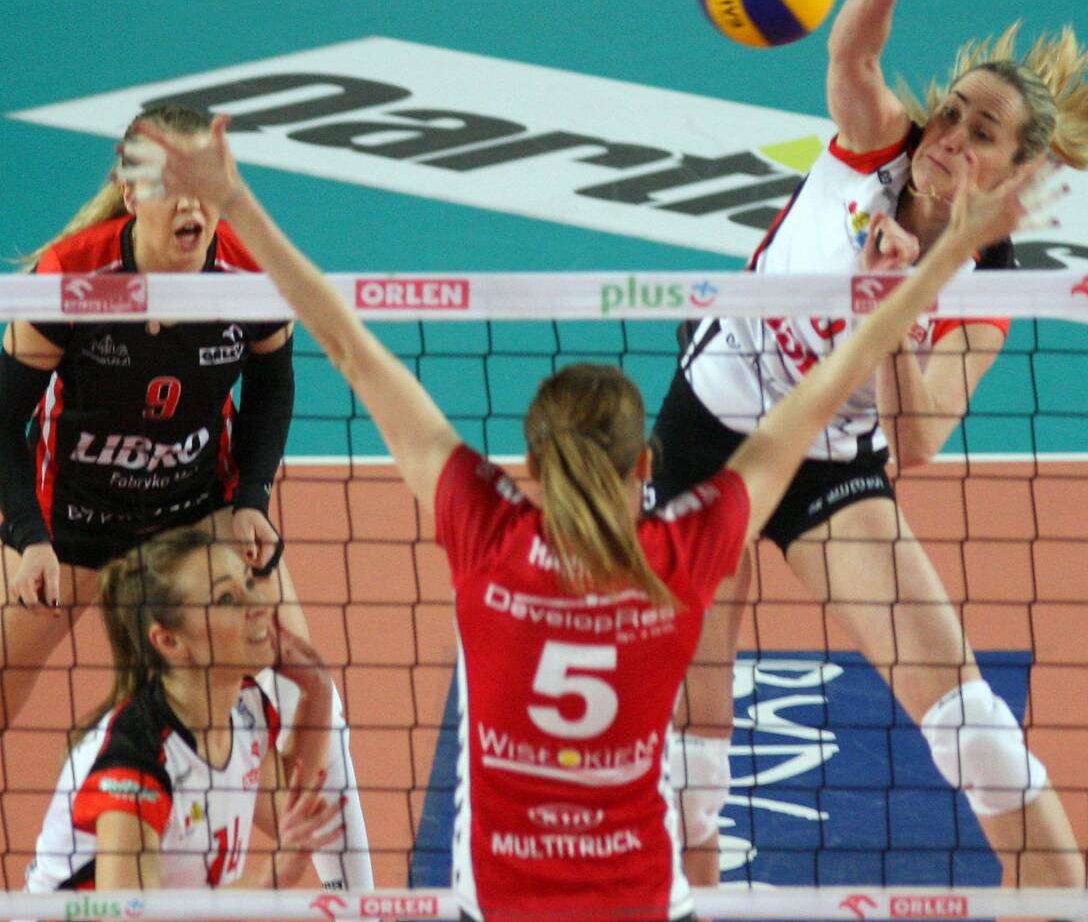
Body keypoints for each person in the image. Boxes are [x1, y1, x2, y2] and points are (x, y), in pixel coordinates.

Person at [116, 104, 1040, 921]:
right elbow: (821, 395)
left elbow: (351, 346)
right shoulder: (680, 559)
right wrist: (945, 256)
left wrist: (237, 202)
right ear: (645, 469)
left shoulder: (484, 533)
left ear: (527, 467)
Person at [657, 0, 1088, 888]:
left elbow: (915, 440)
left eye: (981, 131)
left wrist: (887, 308)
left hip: (830, 466)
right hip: (710, 432)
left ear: (1014, 171)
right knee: (687, 745)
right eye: (953, 109)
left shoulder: (985, 288)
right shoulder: (879, 144)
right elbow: (851, 61)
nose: (949, 132)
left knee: (975, 729)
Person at [0, 104, 373, 890]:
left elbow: (272, 385)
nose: (193, 205)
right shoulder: (70, 277)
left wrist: (253, 497)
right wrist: (28, 535)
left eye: (206, 185)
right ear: (131, 191)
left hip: (197, 520)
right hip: (74, 525)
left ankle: (361, 902)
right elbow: (3, 420)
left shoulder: (247, 275)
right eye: (172, 186)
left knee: (319, 711)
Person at [25, 524, 343, 891]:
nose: (259, 607)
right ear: (170, 641)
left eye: (249, 583)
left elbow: (286, 810)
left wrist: (317, 691)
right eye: (227, 599)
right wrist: (269, 878)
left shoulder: (245, 707)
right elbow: (126, 914)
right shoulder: (136, 761)